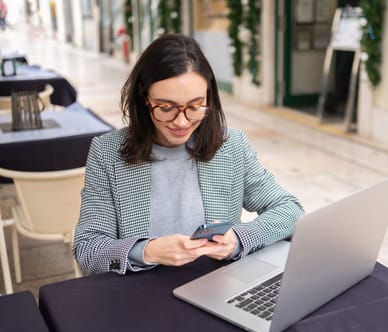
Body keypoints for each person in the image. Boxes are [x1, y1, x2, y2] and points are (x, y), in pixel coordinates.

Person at [73, 34, 304, 275]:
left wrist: (237, 239)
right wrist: (147, 251)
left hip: (216, 286)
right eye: (166, 108)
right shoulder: (108, 154)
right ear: (144, 99)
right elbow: (88, 248)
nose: (181, 121)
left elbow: (290, 209)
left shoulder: (231, 146)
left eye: (195, 106)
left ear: (209, 98)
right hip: (140, 294)